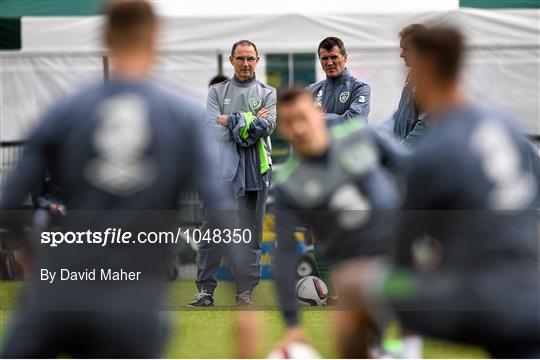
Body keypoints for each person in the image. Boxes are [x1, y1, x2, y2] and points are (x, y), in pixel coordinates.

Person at [0, 0, 229, 357]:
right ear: (157, 39)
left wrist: (32, 253)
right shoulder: (183, 116)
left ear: (104, 37)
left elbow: (9, 200)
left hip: (59, 292)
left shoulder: (65, 111)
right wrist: (246, 304)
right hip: (135, 300)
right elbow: (219, 203)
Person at [344, 27, 540, 358]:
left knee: (352, 282)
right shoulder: (503, 124)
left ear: (425, 67)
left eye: (407, 56)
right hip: (533, 290)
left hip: (484, 301)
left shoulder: (433, 152)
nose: (403, 61)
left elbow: (401, 256)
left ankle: (399, 352)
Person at [265, 88, 400, 357]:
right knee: (352, 344)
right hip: (350, 268)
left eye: (303, 117)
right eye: (289, 122)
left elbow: (412, 167)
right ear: (281, 130)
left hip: (399, 251)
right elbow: (286, 253)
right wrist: (292, 324)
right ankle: (389, 349)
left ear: (318, 114)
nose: (299, 128)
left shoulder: (362, 135)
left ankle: (402, 346)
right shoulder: (289, 185)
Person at [188, 40, 276, 307]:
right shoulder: (217, 91)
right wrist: (251, 120)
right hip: (222, 173)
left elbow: (269, 125)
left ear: (258, 60)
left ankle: (244, 292)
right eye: (241, 58)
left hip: (256, 172)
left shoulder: (268, 92)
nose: (245, 63)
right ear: (231, 60)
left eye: (250, 58)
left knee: (251, 234)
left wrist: (233, 120)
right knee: (213, 232)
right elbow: (214, 129)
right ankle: (205, 291)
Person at [308, 37, 371, 126]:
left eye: (334, 57)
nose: (329, 63)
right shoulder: (311, 90)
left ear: (345, 57)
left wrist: (318, 118)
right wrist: (341, 118)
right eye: (325, 58)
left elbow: (354, 121)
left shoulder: (359, 88)